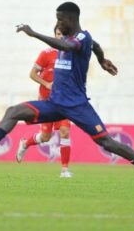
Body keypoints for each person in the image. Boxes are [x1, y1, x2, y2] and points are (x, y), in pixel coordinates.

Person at [0, 2, 134, 179]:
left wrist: (34, 33)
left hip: (77, 105)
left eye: (60, 19)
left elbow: (69, 46)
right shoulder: (73, 38)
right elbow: (95, 46)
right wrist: (101, 59)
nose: (57, 23)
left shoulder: (80, 37)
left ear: (71, 19)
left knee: (107, 143)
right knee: (13, 111)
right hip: (54, 103)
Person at [17, 26, 110, 178]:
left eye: (63, 34)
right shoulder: (46, 54)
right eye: (58, 34)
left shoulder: (72, 52)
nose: (61, 37)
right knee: (45, 137)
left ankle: (65, 170)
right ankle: (25, 143)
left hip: (65, 100)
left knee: (65, 132)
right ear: (54, 35)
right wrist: (47, 84)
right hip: (47, 100)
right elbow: (32, 74)